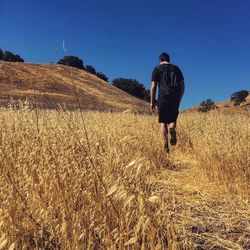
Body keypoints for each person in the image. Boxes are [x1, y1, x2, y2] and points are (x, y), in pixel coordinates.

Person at [150, 52, 185, 153]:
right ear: (168, 59)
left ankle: (165, 146)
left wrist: (152, 101)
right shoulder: (176, 68)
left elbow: (153, 86)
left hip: (163, 97)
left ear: (160, 60)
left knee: (163, 122)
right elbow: (183, 86)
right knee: (173, 118)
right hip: (174, 96)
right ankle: (172, 128)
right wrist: (179, 98)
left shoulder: (157, 69)